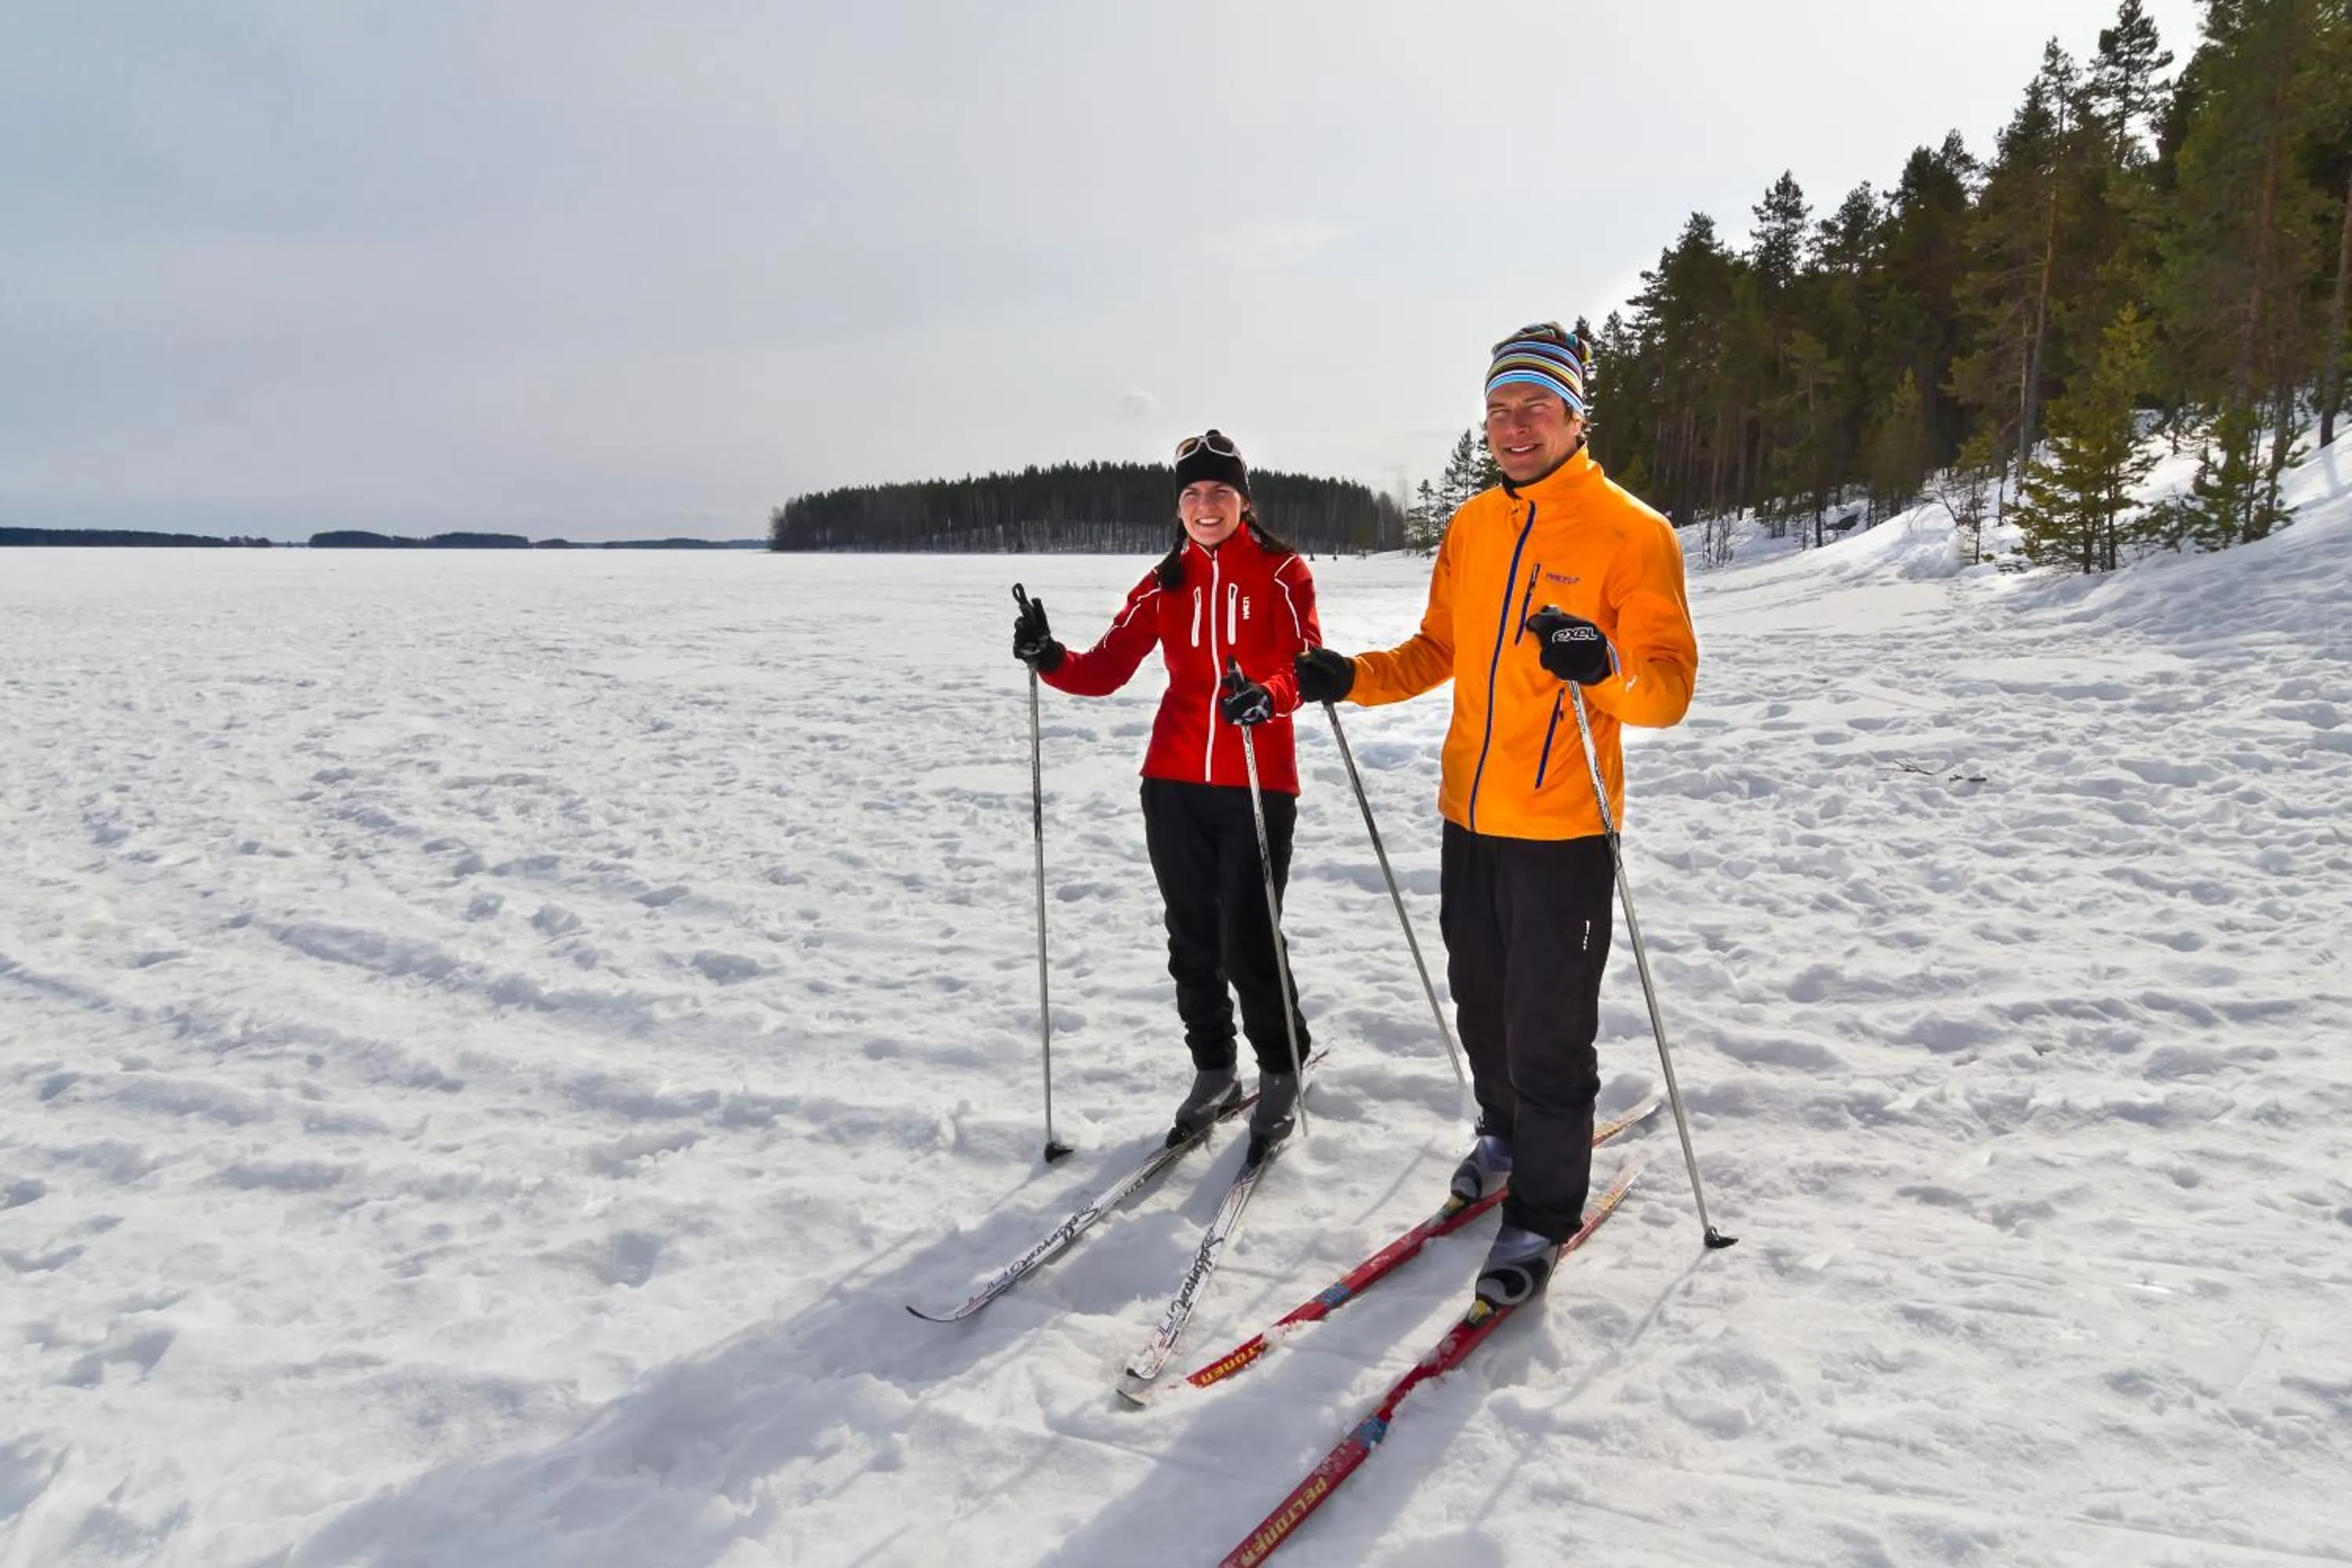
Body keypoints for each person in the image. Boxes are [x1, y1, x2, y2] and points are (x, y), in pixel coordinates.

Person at [1293, 324, 1698, 1305]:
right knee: (1480, 998)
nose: (1516, 428)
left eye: (1536, 409)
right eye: (1500, 412)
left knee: (1547, 1021)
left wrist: (1600, 667)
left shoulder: (1630, 531)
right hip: (1469, 813)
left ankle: (1545, 1209)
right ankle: (1506, 1132)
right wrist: (1352, 674)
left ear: (1575, 418)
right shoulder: (1473, 526)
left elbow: (1668, 690)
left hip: (1563, 827)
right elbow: (1438, 648)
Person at [1011, 430, 1321, 1152]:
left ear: (1244, 501)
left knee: (1249, 939)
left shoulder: (1282, 573)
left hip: (1256, 779)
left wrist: (1267, 696)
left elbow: (1308, 665)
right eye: (1191, 495)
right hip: (1173, 782)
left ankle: (1281, 1065)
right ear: (1179, 507)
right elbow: (1106, 668)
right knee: (1191, 938)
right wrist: (1048, 657)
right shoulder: (1163, 583)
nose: (1205, 506)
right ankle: (1214, 1068)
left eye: (1219, 493)